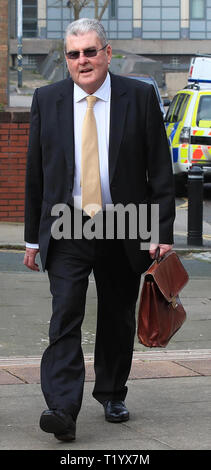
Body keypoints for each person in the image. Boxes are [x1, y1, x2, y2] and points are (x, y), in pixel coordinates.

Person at [24, 18, 175, 443]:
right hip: (67, 223)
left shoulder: (140, 97)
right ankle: (61, 408)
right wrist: (34, 239)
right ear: (66, 60)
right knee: (65, 315)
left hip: (124, 220)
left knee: (116, 315)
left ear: (107, 53)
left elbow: (160, 171)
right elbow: (36, 175)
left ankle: (111, 392)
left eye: (90, 51)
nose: (82, 61)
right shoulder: (47, 99)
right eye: (73, 54)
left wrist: (160, 231)